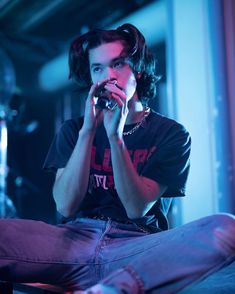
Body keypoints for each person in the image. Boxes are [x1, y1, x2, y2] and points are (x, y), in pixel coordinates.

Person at [0, 23, 235, 294]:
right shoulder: (73, 130)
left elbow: (137, 208)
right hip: (73, 241)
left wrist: (116, 137)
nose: (108, 76)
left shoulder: (171, 134)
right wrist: (88, 130)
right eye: (97, 68)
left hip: (136, 247)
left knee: (226, 226)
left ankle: (111, 290)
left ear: (138, 69)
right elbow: (65, 205)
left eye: (118, 64)